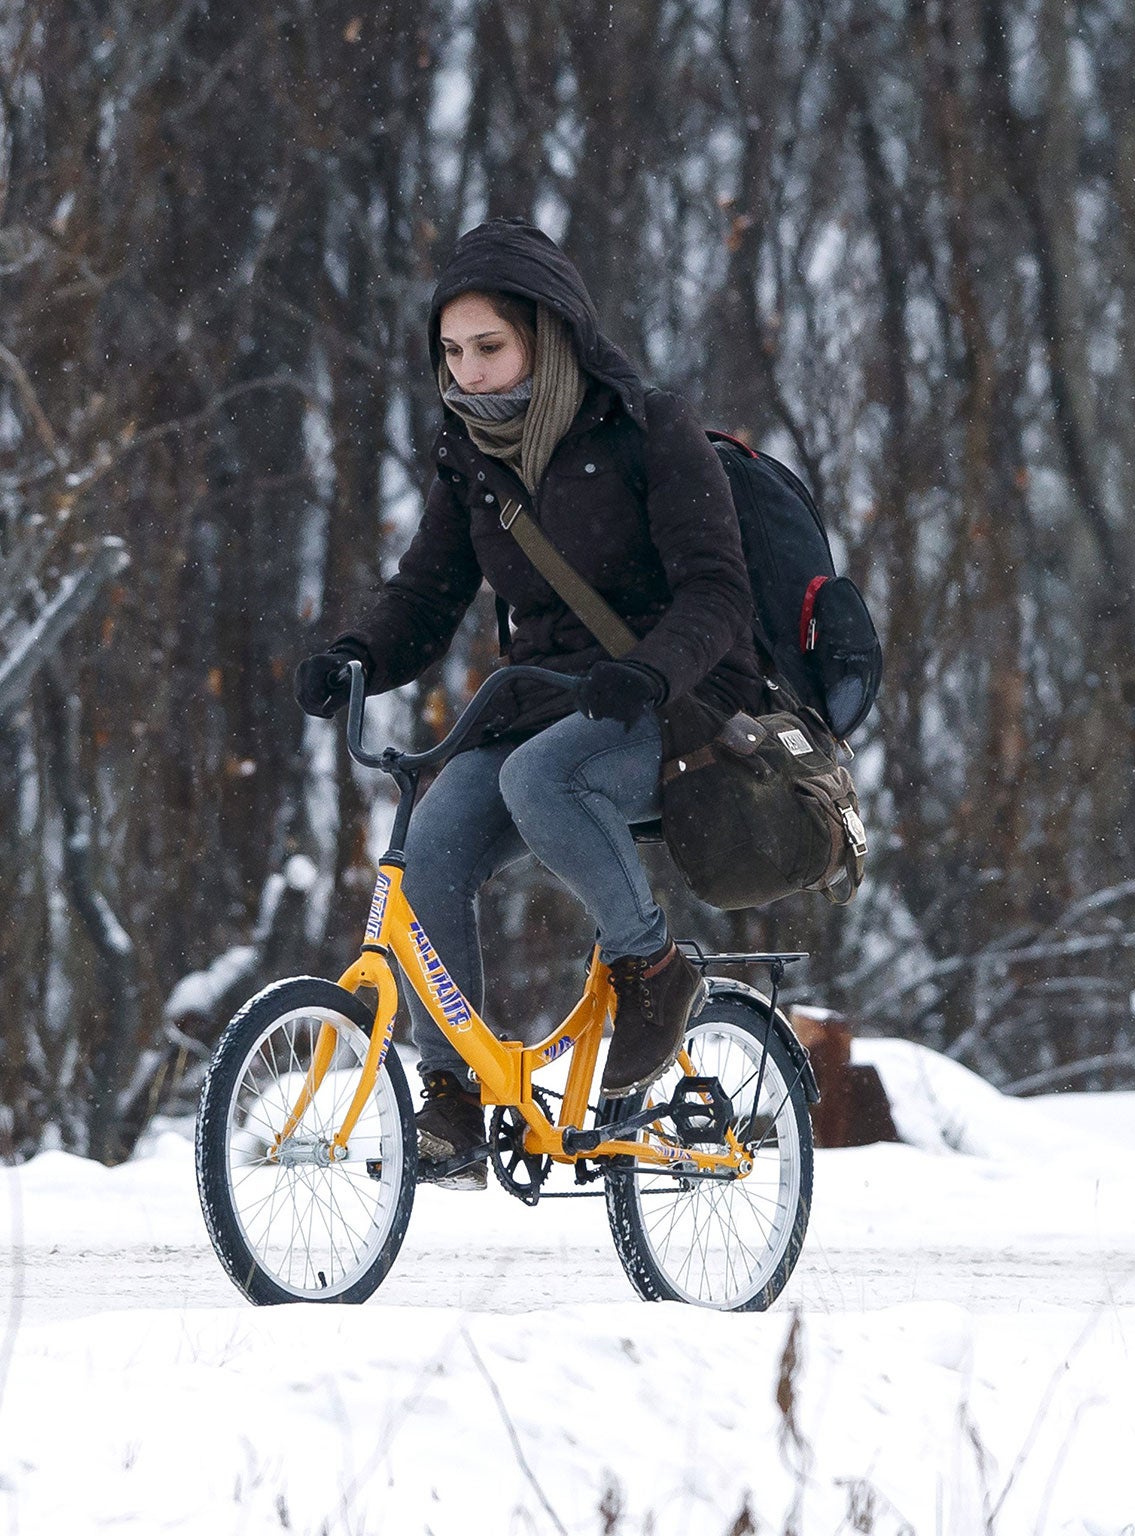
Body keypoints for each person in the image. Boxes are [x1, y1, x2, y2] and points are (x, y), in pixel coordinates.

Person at [294, 218, 763, 1188]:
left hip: (671, 702)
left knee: (541, 776)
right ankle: (457, 1094)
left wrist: (651, 671)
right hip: (546, 702)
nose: (468, 374)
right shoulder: (472, 455)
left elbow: (718, 591)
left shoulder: (646, 429)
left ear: (549, 336)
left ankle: (653, 969)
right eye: (452, 354)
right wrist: (353, 656)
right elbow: (426, 595)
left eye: (490, 348)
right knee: (434, 832)